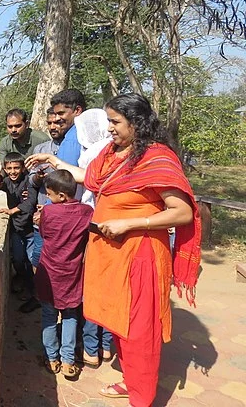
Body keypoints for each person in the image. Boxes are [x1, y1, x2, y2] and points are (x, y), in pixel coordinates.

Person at [26, 93, 200, 407]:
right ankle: (130, 381)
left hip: (140, 253)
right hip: (110, 254)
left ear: (137, 123)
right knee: (118, 321)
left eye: (116, 122)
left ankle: (142, 397)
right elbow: (89, 180)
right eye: (108, 121)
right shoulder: (111, 153)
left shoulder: (157, 157)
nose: (109, 129)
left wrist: (132, 223)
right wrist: (53, 161)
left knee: (139, 327)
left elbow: (182, 211)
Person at [34, 170, 93, 379]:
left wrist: (41, 216)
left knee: (49, 315)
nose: (48, 198)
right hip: (73, 273)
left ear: (61, 195)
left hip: (50, 273)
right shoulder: (87, 212)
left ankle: (52, 358)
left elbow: (43, 234)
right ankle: (68, 361)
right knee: (70, 315)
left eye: (49, 194)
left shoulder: (49, 212)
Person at [74, 108, 114, 367]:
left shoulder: (94, 155)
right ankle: (108, 346)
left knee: (93, 290)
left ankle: (90, 349)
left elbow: (89, 183)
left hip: (95, 223)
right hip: (116, 225)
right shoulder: (118, 151)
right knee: (112, 290)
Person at [0, 152, 40, 313]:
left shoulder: (28, 182)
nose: (13, 171)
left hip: (30, 230)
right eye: (9, 168)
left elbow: (31, 202)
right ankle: (27, 285)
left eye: (16, 168)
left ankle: (36, 293)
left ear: (23, 168)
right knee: (18, 261)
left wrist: (12, 210)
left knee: (33, 261)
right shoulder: (6, 180)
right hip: (17, 230)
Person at [27, 107, 69, 270]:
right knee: (39, 256)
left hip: (65, 217)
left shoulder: (75, 148)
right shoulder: (40, 150)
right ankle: (40, 293)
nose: (53, 127)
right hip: (42, 216)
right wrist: (38, 177)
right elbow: (31, 180)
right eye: (49, 123)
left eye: (57, 123)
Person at [50, 89, 87, 166]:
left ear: (77, 110)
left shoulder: (73, 139)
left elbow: (66, 175)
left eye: (61, 113)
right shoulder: (93, 132)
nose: (56, 118)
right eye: (56, 114)